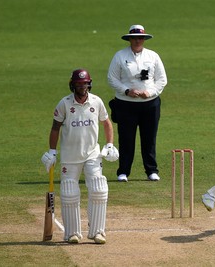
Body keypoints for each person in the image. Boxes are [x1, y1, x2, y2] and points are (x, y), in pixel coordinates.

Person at [41, 69, 119, 244]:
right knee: (69, 193)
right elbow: (55, 128)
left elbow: (106, 123)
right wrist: (52, 151)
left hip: (92, 154)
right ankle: (72, 233)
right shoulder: (64, 104)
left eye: (85, 83)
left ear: (89, 84)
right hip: (70, 157)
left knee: (99, 190)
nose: (82, 86)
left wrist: (109, 144)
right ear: (73, 84)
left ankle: (98, 232)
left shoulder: (96, 101)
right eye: (79, 83)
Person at [107, 24, 167, 182]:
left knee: (149, 138)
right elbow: (112, 78)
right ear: (129, 39)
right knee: (126, 139)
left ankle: (151, 171)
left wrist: (150, 92)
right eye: (134, 38)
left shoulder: (153, 56)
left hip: (150, 104)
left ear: (144, 39)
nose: (137, 40)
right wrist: (127, 91)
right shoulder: (120, 56)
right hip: (126, 104)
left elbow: (162, 79)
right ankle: (123, 172)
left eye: (140, 38)